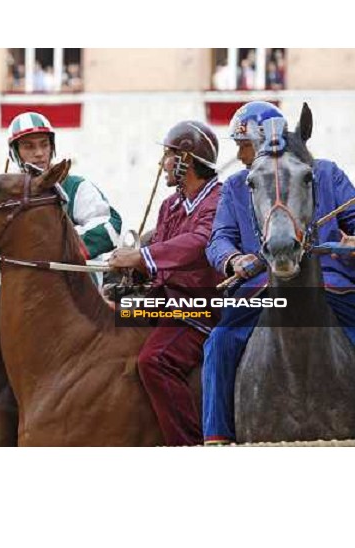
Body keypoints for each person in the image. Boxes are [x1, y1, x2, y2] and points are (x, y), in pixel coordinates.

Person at [202, 101, 355, 445]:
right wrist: (232, 259)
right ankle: (217, 438)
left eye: (243, 145)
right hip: (257, 292)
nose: (240, 155)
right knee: (219, 342)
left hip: (332, 288)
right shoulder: (236, 185)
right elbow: (219, 239)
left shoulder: (327, 173)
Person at [108, 121, 222, 446]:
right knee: (107, 319)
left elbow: (199, 242)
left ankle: (188, 446)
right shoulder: (170, 205)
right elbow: (160, 259)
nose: (163, 164)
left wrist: (140, 257)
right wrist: (132, 273)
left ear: (185, 159)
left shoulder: (219, 199)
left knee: (153, 361)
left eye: (168, 156)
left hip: (200, 307)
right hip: (166, 300)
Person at [6, 111, 122, 266]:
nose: (39, 153)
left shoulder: (75, 186)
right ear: (15, 152)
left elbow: (109, 226)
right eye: (29, 147)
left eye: (44, 144)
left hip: (73, 282)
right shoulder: (5, 193)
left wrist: (57, 248)